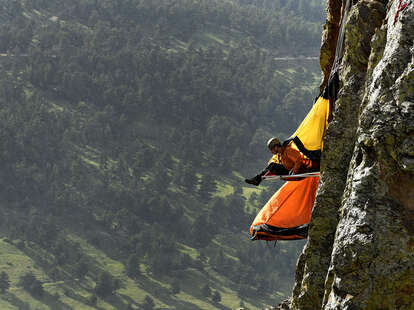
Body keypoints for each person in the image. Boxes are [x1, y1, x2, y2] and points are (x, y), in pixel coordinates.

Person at [245, 137, 319, 186]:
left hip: (299, 171)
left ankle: (257, 179)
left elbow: (298, 160)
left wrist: (294, 172)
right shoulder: (280, 155)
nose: (271, 151)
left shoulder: (288, 150)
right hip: (289, 171)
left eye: (271, 149)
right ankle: (257, 179)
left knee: (273, 165)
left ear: (276, 147)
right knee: (272, 165)